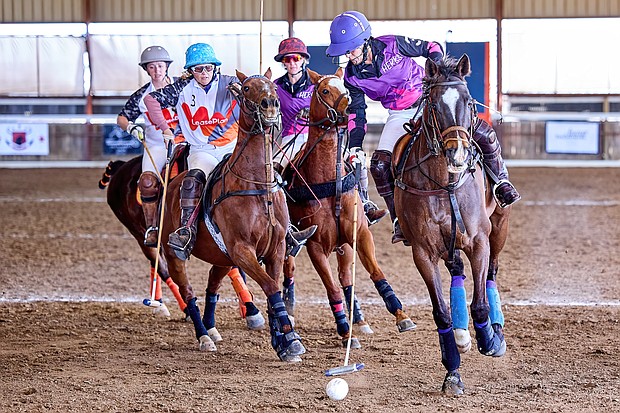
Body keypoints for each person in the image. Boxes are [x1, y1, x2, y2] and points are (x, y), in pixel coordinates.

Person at [326, 11, 521, 245]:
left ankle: (501, 183)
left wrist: (441, 76)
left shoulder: (392, 44)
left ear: (365, 41)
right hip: (399, 114)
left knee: (483, 133)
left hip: (431, 101)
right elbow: (358, 114)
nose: (349, 55)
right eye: (345, 52)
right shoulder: (351, 78)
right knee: (378, 165)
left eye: (352, 49)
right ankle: (399, 221)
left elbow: (431, 47)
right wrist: (355, 145)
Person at [144, 43, 315, 260]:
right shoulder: (180, 88)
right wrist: (166, 129)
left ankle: (287, 230)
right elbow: (151, 100)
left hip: (232, 148)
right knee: (193, 180)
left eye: (208, 68)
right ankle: (187, 231)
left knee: (271, 176)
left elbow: (253, 88)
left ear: (215, 67)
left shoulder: (229, 83)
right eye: (198, 69)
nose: (204, 73)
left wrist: (256, 89)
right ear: (190, 71)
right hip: (202, 150)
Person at [273, 37, 387, 226]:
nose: (292, 63)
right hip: (291, 138)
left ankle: (366, 203)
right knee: (274, 172)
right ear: (283, 63)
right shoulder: (276, 86)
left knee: (354, 158)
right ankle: (282, 218)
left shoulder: (318, 83)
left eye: (296, 58)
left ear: (303, 60)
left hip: (320, 138)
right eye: (287, 59)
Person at [117, 45, 178, 247]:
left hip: (187, 142)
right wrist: (132, 128)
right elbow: (122, 118)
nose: (157, 70)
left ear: (167, 66)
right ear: (147, 70)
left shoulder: (182, 86)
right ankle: (152, 228)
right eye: (152, 67)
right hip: (157, 146)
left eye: (160, 66)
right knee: (147, 182)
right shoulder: (142, 96)